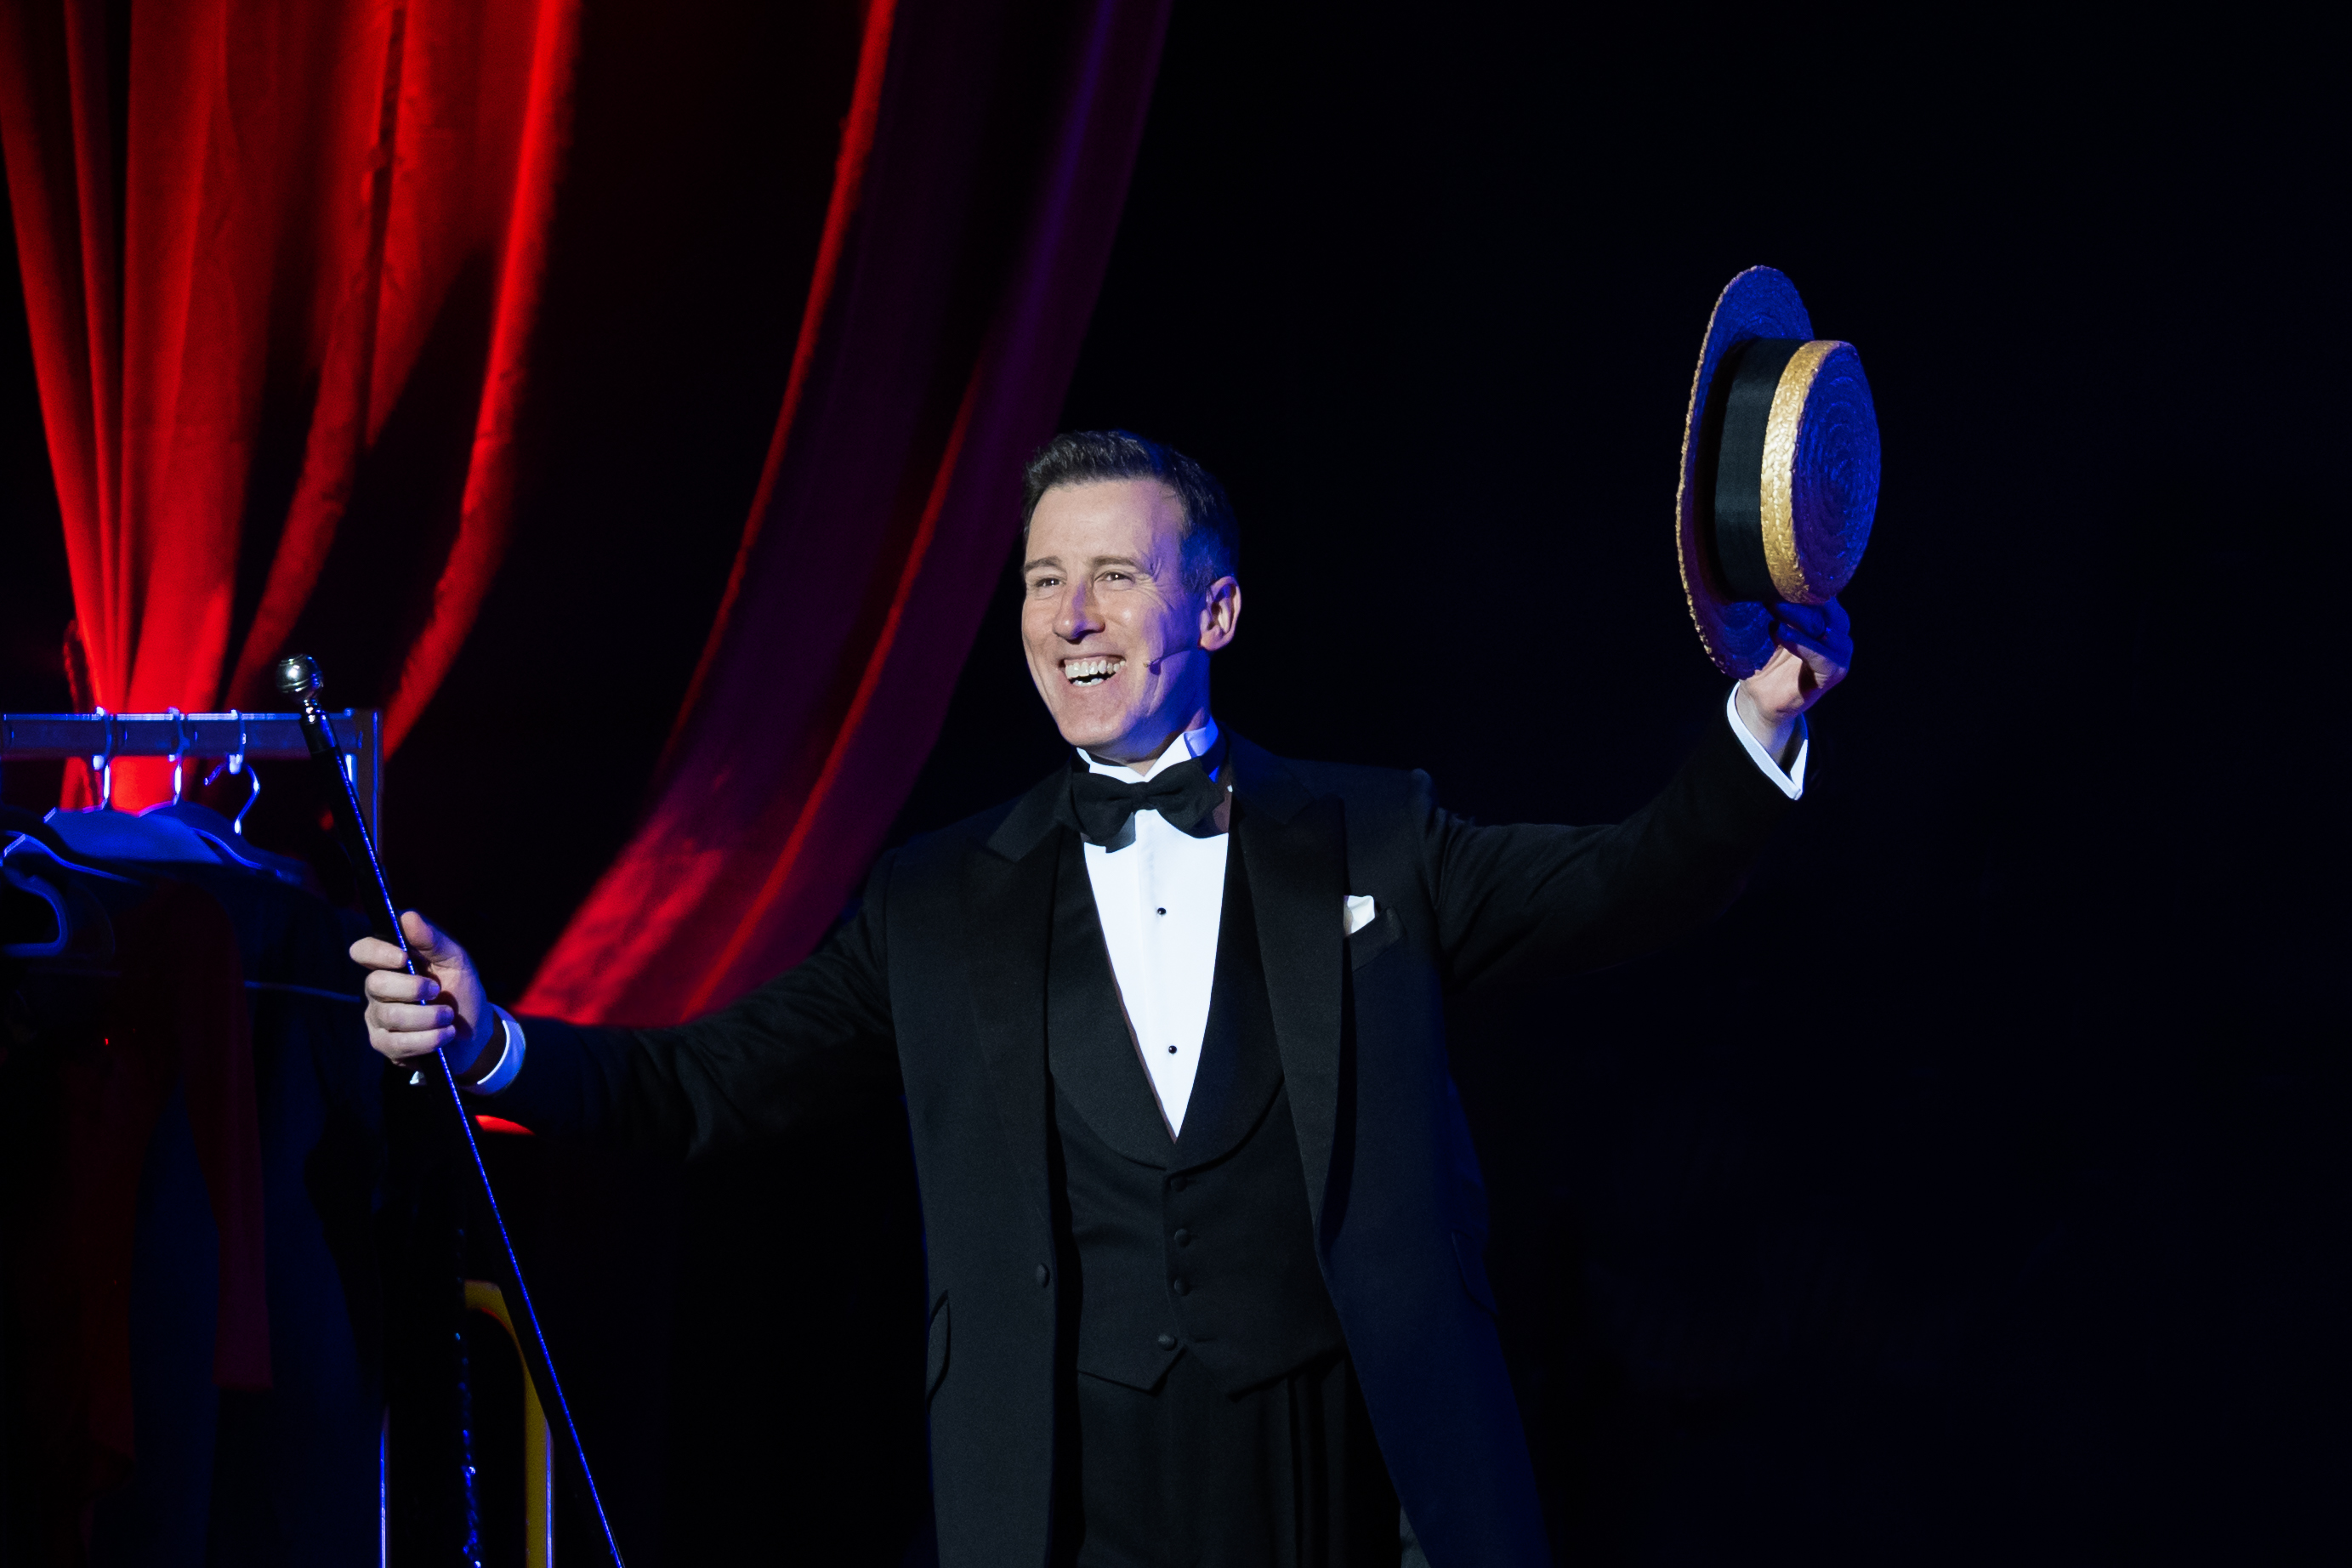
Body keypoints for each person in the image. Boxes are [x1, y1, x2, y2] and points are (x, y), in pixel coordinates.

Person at [354, 430, 1850, 1566]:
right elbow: (703, 1087)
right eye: (1041, 582)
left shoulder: (1374, 833)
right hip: (1068, 1492)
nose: (1068, 617)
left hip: (1349, 1471)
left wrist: (1753, 729)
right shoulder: (936, 902)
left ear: (1213, 615)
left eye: (1113, 577)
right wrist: (492, 1043)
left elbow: (1622, 886)